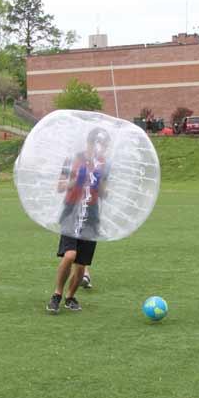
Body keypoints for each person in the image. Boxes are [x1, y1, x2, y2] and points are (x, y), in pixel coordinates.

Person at [46, 128, 110, 313]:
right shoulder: (72, 159)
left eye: (103, 145)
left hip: (91, 214)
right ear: (88, 143)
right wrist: (77, 181)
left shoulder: (103, 164)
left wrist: (100, 186)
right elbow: (60, 186)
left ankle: (70, 297)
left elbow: (105, 193)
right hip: (71, 211)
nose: (98, 148)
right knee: (70, 255)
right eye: (95, 143)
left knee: (82, 263)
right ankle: (57, 295)